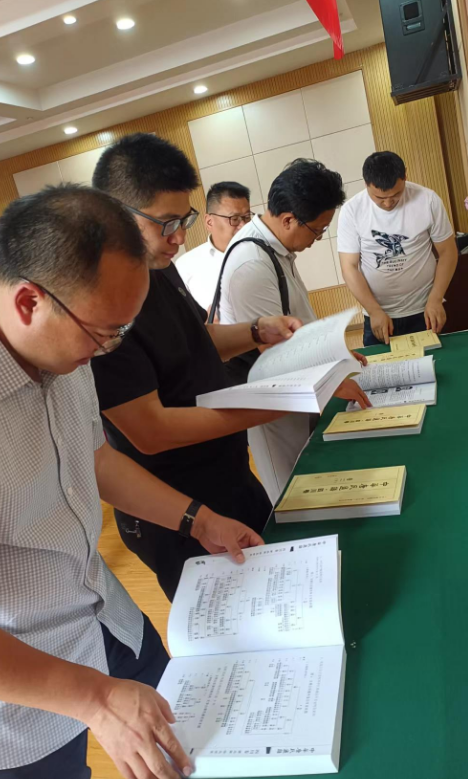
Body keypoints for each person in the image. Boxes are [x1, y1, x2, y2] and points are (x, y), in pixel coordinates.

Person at [0, 184, 263, 779]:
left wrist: (198, 519)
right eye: (105, 334)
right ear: (28, 302)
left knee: (192, 756)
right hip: (10, 692)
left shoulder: (67, 331)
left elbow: (93, 458)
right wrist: (96, 699)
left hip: (105, 617)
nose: (108, 350)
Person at [91, 133, 303, 601]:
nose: (179, 237)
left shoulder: (158, 264)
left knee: (281, 591)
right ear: (113, 213)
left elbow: (192, 342)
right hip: (175, 506)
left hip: (228, 473)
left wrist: (256, 331)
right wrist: (272, 405)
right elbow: (150, 431)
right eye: (166, 223)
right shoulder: (101, 304)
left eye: (184, 219)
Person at [216, 158, 370, 504]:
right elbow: (274, 355)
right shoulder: (251, 264)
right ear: (288, 219)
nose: (318, 238)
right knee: (295, 496)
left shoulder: (274, 248)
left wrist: (333, 356)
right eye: (317, 230)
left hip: (298, 392)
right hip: (275, 403)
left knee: (315, 483)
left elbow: (294, 323)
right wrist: (332, 380)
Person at [338, 150, 458, 346]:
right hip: (378, 315)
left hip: (425, 310)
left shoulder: (427, 200)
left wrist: (436, 298)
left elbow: (448, 252)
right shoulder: (352, 211)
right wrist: (374, 310)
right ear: (366, 184)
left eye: (396, 195)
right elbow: (349, 267)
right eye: (379, 197)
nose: (388, 203)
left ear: (405, 177)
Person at [176, 181, 253, 311]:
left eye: (247, 217)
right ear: (209, 222)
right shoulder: (185, 266)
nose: (244, 226)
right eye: (234, 219)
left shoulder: (264, 254)